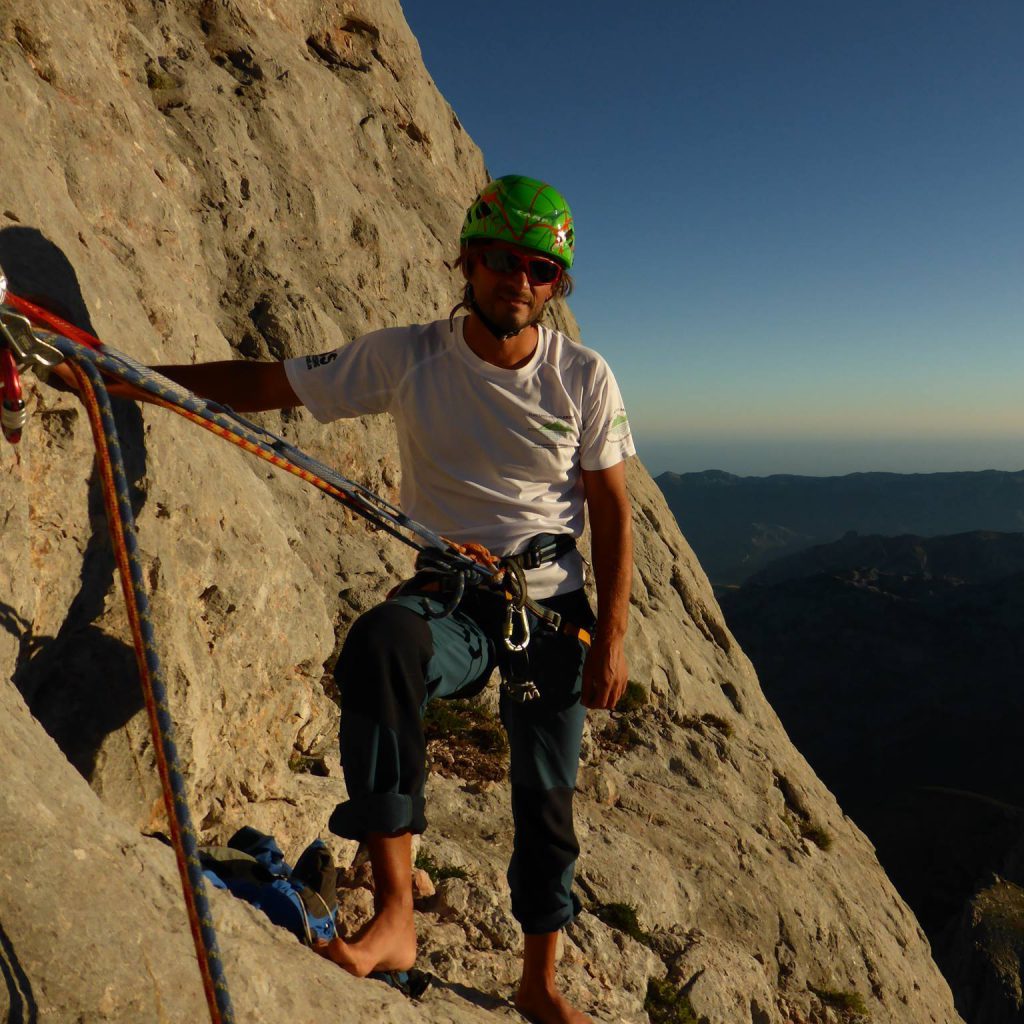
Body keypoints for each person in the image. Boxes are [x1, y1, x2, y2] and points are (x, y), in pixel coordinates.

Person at [87, 175, 634, 1024]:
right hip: (454, 594)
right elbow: (271, 384)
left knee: (547, 795)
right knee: (384, 643)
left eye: (539, 269)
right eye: (500, 260)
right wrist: (129, 376)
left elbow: (611, 508)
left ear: (557, 286)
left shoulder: (582, 378)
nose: (517, 281)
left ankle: (539, 981)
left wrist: (612, 639)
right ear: (467, 261)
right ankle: (395, 918)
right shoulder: (409, 357)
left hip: (550, 603)